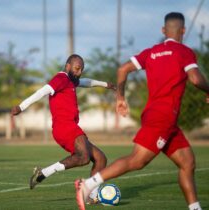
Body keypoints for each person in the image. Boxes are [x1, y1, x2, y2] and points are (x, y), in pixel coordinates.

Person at [75, 12, 209, 210]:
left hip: (159, 117)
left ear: (164, 31)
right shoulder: (184, 52)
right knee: (137, 161)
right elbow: (196, 79)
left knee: (187, 163)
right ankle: (88, 185)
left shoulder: (151, 52)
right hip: (163, 116)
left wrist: (120, 97)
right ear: (183, 30)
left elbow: (122, 69)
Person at [11, 54, 116, 203]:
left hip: (71, 126)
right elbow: (42, 92)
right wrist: (21, 107)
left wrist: (105, 84)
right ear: (67, 66)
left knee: (101, 159)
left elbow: (85, 82)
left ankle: (91, 195)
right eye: (77, 68)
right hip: (64, 127)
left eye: (81, 69)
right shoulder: (61, 78)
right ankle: (46, 173)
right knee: (84, 158)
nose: (79, 72)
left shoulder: (71, 81)